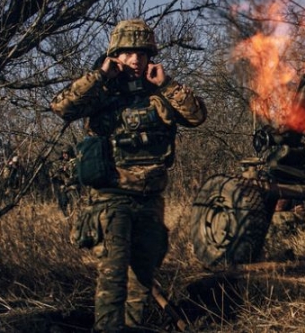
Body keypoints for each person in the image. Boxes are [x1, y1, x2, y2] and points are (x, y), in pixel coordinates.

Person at [50, 19, 207, 333]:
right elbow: (61, 106)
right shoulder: (101, 90)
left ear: (151, 56)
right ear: (115, 56)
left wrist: (168, 84)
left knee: (142, 279)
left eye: (142, 53)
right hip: (111, 199)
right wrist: (99, 76)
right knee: (114, 275)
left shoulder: (159, 92)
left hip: (150, 200)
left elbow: (197, 115)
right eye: (127, 53)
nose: (135, 60)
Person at [49, 146, 78, 216]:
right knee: (62, 204)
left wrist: (70, 179)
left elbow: (78, 175)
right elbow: (54, 174)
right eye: (63, 153)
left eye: (66, 153)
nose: (64, 155)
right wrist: (61, 175)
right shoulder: (60, 163)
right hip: (64, 187)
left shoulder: (76, 162)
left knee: (74, 206)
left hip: (73, 187)